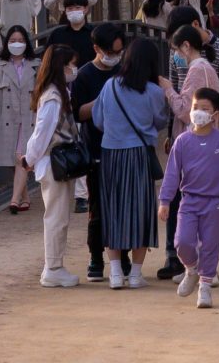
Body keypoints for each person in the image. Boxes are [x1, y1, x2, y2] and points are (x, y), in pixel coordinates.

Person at [79, 37, 171, 289]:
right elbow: (160, 121)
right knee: (141, 211)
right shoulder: (153, 91)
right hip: (139, 154)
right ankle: (136, 274)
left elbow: (98, 119)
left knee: (113, 209)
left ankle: (116, 273)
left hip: (110, 154)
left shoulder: (109, 86)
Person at [159, 87, 219, 308]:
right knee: (182, 242)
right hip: (189, 201)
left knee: (210, 245)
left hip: (215, 202)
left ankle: (205, 286)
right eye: (196, 107)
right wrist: (165, 201)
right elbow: (171, 173)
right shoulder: (182, 141)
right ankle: (191, 269)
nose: (198, 112)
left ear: (216, 114)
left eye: (205, 109)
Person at [69, 22, 127, 281]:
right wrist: (104, 99)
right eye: (111, 52)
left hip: (125, 147)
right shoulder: (84, 75)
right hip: (96, 148)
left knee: (123, 205)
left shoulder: (125, 71)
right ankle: (96, 257)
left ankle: (123, 254)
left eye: (119, 51)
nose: (115, 56)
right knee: (98, 207)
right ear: (96, 49)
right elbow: (78, 113)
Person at [21, 45, 80, 287]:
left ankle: (54, 265)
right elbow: (42, 133)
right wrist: (29, 158)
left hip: (56, 163)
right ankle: (53, 267)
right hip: (54, 163)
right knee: (56, 216)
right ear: (61, 66)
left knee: (58, 216)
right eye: (70, 64)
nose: (73, 69)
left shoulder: (56, 93)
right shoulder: (53, 97)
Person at [0, 25, 38, 213]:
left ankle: (14, 200)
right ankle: (24, 196)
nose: (17, 44)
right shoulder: (0, 67)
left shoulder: (35, 65)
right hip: (6, 118)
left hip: (29, 117)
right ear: (7, 43)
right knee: (12, 160)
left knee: (20, 157)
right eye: (13, 40)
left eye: (21, 40)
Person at [51, 0, 96, 66]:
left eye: (78, 8)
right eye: (70, 8)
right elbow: (49, 58)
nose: (74, 11)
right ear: (65, 11)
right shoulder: (57, 34)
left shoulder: (95, 33)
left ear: (86, 9)